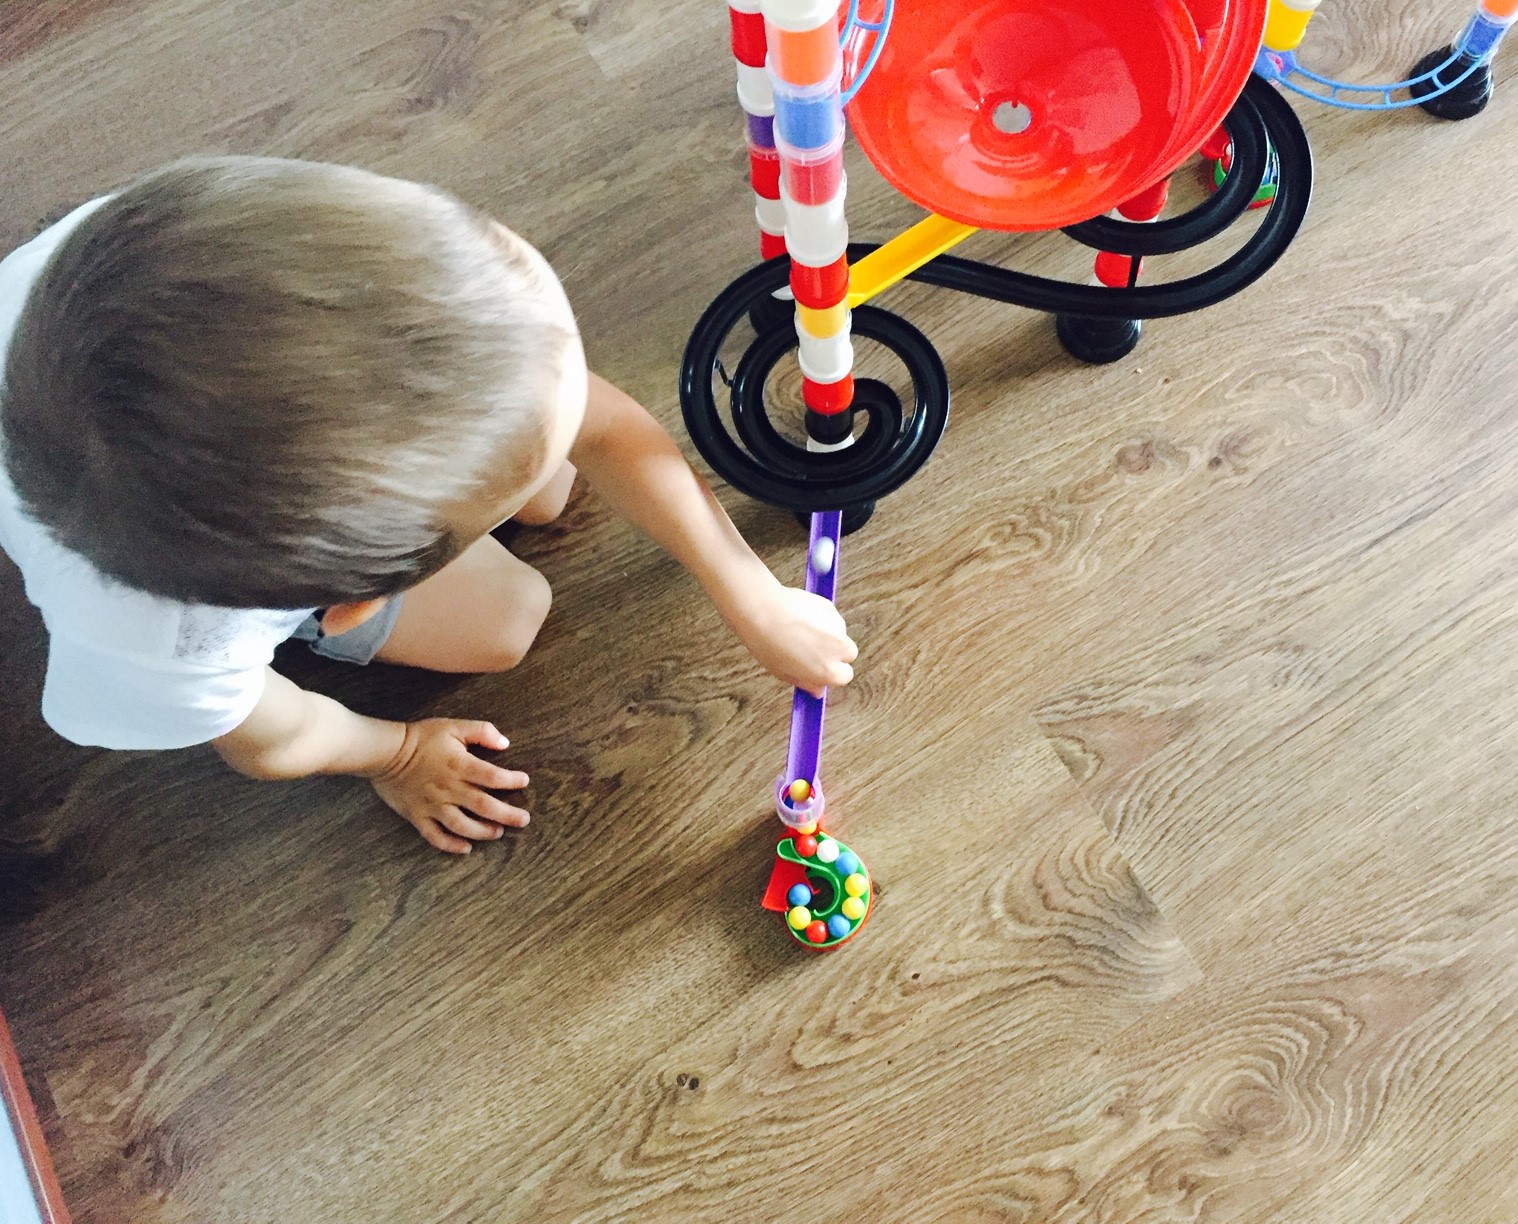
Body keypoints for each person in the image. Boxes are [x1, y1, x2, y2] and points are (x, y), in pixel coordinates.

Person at [0, 156, 856, 855]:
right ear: (349, 606)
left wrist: (749, 592)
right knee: (510, 616)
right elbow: (278, 738)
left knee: (543, 465)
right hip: (192, 552)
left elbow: (601, 425)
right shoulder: (166, 655)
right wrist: (399, 752)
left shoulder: (242, 242)